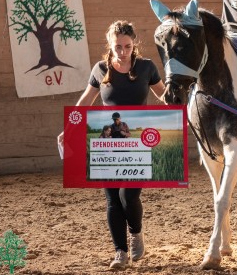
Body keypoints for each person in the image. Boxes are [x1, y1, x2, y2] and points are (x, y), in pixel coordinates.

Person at [58, 20, 165, 269]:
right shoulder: (100, 69)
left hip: (137, 144)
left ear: (133, 44)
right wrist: (69, 128)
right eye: (118, 46)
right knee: (112, 200)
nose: (123, 51)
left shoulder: (147, 67)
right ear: (110, 44)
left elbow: (164, 95)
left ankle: (136, 233)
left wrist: (182, 105)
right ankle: (120, 252)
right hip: (107, 146)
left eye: (127, 46)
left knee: (128, 195)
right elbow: (85, 100)